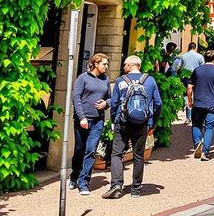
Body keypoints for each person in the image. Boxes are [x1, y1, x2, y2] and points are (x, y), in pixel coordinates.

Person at [103, 56, 162, 199]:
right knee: (138, 155)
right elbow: (158, 103)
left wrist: (113, 120)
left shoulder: (121, 81)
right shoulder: (149, 80)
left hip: (122, 122)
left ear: (130, 65)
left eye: (125, 64)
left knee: (117, 154)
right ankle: (136, 189)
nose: (123, 67)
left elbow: (115, 103)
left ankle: (116, 185)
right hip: (142, 123)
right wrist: (152, 123)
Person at [69, 53, 110, 195]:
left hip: (98, 120)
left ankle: (83, 182)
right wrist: (81, 117)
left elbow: (110, 98)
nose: (106, 66)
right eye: (104, 64)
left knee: (91, 150)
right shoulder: (83, 78)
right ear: (96, 64)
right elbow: (76, 97)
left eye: (106, 64)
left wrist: (106, 104)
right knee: (80, 149)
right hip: (83, 119)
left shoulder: (105, 80)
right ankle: (74, 175)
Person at [188, 49, 214, 161]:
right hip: (212, 104)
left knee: (196, 125)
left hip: (198, 103)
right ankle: (205, 152)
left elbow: (189, 87)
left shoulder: (197, 71)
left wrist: (190, 101)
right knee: (209, 127)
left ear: (204, 58)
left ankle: (197, 144)